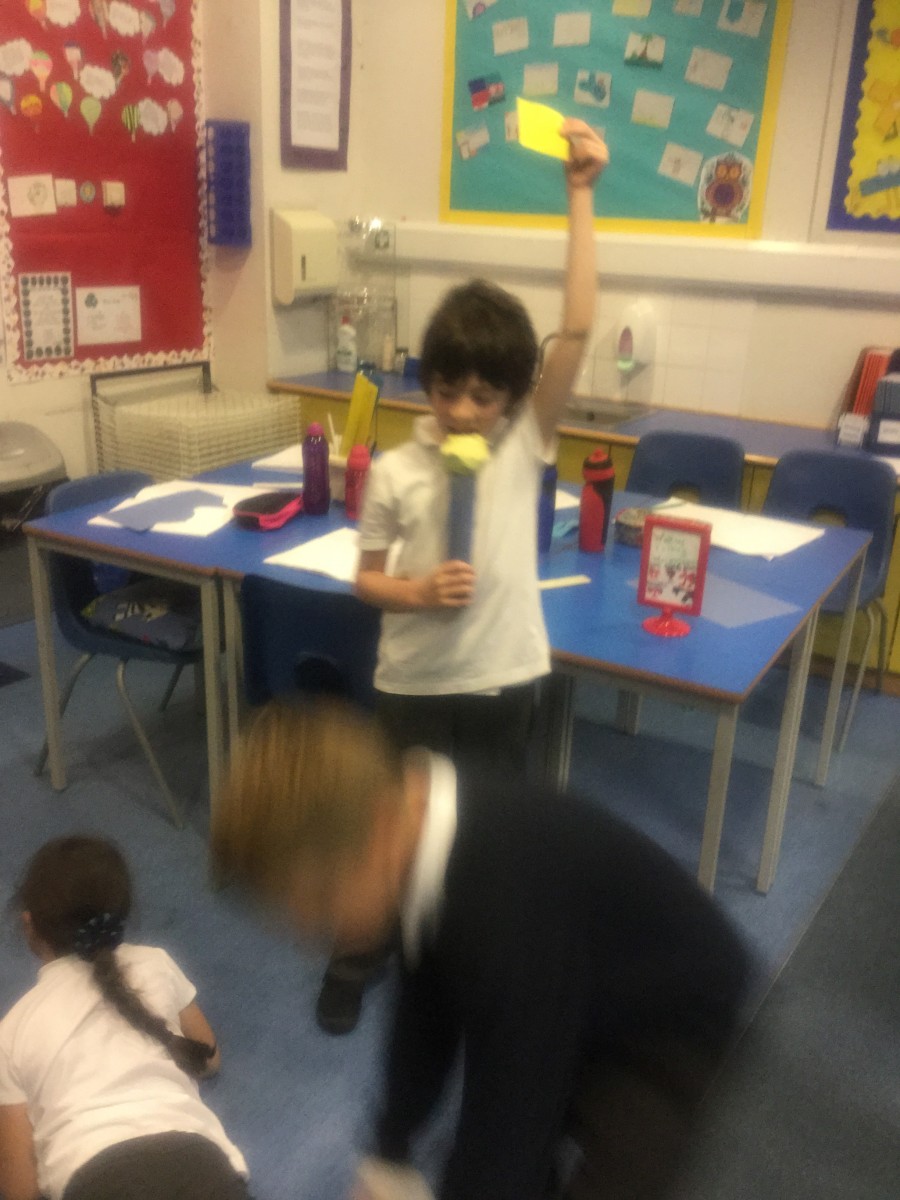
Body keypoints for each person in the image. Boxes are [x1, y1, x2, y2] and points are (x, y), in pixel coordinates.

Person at [315, 118, 609, 1036]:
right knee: (390, 823)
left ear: (514, 396)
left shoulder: (526, 445)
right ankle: (360, 952)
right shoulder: (398, 470)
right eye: (447, 390)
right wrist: (415, 593)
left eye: (485, 394)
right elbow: (366, 580)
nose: (464, 410)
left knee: (486, 830)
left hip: (499, 678)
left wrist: (580, 194)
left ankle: (477, 959)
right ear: (429, 383)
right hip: (412, 680)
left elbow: (578, 326)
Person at [212, 700, 752, 1200]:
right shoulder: (421, 825)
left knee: (566, 1158)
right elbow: (428, 1012)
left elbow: (513, 1111)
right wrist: (390, 1149)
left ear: (382, 826)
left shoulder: (502, 903)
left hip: (669, 1022)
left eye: (326, 907)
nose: (320, 943)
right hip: (570, 983)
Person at [0, 836, 251, 1200]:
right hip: (201, 1162)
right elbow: (208, 1058)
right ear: (120, 917)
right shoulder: (156, 963)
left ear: (29, 926)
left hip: (96, 1179)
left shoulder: (12, 1030)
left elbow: (21, 1190)